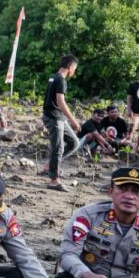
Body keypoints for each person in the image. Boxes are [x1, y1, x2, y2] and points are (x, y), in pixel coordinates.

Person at [42, 54, 82, 191]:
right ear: (71, 67)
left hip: (57, 116)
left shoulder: (53, 77)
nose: (74, 71)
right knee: (58, 148)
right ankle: (54, 180)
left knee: (74, 142)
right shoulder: (60, 80)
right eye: (74, 68)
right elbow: (61, 101)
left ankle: (50, 166)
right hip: (54, 117)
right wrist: (74, 121)